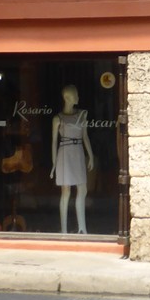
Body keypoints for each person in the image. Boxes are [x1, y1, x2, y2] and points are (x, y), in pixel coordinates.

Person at [51, 84, 94, 234]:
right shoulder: (58, 118)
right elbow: (54, 142)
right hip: (64, 153)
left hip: (78, 152)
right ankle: (64, 230)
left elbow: (85, 136)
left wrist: (91, 155)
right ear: (67, 98)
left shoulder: (82, 114)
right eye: (75, 94)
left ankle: (82, 227)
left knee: (82, 188)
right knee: (66, 191)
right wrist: (54, 164)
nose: (78, 97)